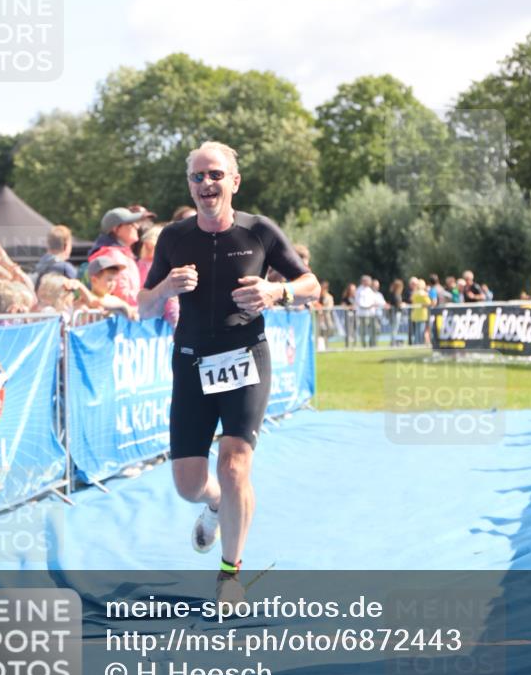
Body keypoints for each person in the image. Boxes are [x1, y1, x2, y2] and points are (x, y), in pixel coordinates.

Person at [138, 141, 320, 608]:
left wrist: (274, 292)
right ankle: (216, 504)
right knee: (188, 484)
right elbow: (142, 306)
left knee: (235, 463)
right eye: (197, 177)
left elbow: (311, 286)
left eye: (215, 175)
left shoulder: (258, 231)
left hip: (245, 359)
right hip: (192, 363)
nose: (205, 185)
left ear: (234, 182)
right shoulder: (173, 239)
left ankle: (229, 574)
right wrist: (165, 288)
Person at [90, 208, 147, 313]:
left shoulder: (122, 254)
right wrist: (150, 299)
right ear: (116, 229)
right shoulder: (112, 255)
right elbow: (122, 295)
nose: (137, 226)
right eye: (131, 223)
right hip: (123, 320)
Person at [355, 275, 377, 348]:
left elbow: (373, 301)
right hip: (362, 314)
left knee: (374, 329)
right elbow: (359, 302)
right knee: (363, 331)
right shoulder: (359, 290)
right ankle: (364, 345)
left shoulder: (370, 290)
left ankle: (372, 344)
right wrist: (368, 306)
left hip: (371, 313)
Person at [410, 278, 432, 345]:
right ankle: (420, 343)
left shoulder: (414, 293)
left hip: (415, 314)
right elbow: (429, 302)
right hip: (422, 314)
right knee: (421, 330)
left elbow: (412, 301)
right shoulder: (424, 294)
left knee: (417, 330)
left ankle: (416, 343)